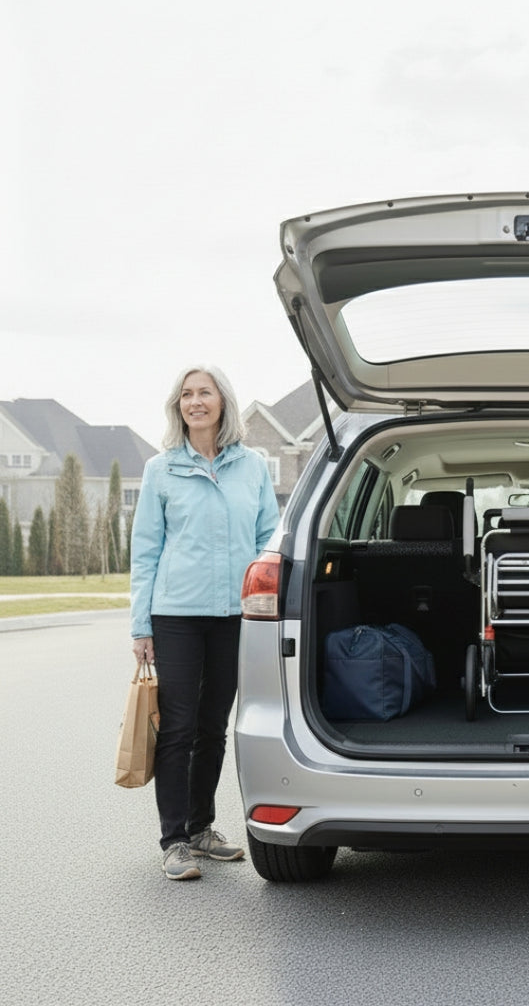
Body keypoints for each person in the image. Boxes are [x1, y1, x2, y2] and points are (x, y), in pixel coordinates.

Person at [130, 365, 279, 880]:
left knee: (213, 726)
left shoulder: (252, 466)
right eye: (187, 394)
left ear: (222, 402)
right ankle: (173, 840)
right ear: (179, 406)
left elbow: (267, 540)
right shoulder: (161, 469)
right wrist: (141, 626)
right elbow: (145, 551)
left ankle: (201, 829)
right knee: (177, 726)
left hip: (234, 617)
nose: (195, 401)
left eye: (205, 393)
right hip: (175, 614)